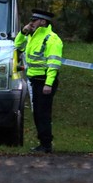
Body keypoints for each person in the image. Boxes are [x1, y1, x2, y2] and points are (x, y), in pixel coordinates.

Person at [15, 8, 64, 153]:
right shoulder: (32, 36)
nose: (31, 23)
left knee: (43, 113)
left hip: (45, 81)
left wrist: (48, 84)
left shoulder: (52, 39)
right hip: (35, 80)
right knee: (37, 113)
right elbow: (17, 46)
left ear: (43, 21)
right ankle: (43, 143)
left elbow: (53, 64)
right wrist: (23, 32)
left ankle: (46, 144)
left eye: (34, 20)